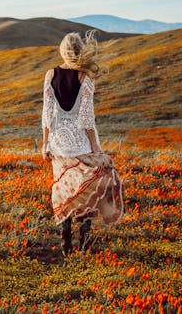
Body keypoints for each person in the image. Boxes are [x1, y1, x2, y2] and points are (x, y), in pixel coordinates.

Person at [41, 31, 123, 256]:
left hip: (58, 144)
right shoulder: (85, 78)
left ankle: (65, 242)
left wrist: (45, 143)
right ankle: (84, 240)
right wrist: (95, 147)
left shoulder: (50, 74)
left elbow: (47, 114)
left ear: (62, 51)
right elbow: (87, 118)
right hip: (80, 144)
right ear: (79, 51)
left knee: (62, 190)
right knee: (89, 189)